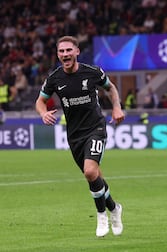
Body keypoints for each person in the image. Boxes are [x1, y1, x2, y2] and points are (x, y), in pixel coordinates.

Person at [35, 36, 125, 237]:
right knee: (95, 177)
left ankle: (101, 215)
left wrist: (117, 107)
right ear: (58, 55)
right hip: (74, 135)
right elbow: (40, 101)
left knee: (90, 172)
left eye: (68, 50)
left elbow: (110, 88)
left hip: (95, 128)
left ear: (77, 51)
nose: (65, 54)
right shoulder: (54, 78)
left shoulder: (92, 72)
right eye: (61, 51)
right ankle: (114, 208)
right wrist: (43, 113)